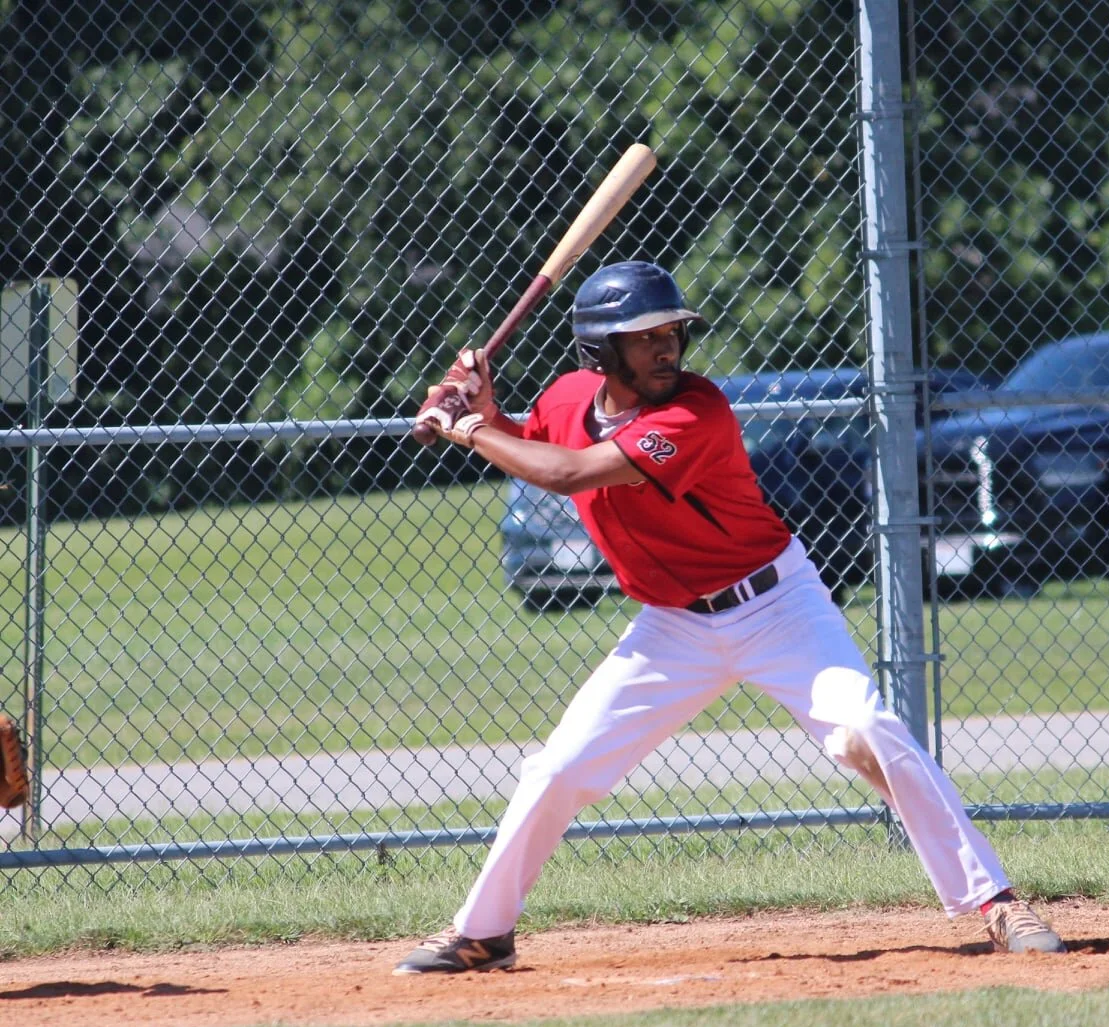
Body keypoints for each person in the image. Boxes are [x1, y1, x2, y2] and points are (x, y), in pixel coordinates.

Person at [396, 260, 1062, 974]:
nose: (666, 349)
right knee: (556, 768)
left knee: (868, 727)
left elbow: (568, 473)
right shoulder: (566, 398)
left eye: (672, 333)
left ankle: (995, 899)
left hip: (775, 603)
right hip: (671, 627)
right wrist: (484, 408)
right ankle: (485, 931)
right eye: (645, 337)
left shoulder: (695, 411)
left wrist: (465, 426)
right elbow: (536, 442)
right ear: (600, 351)